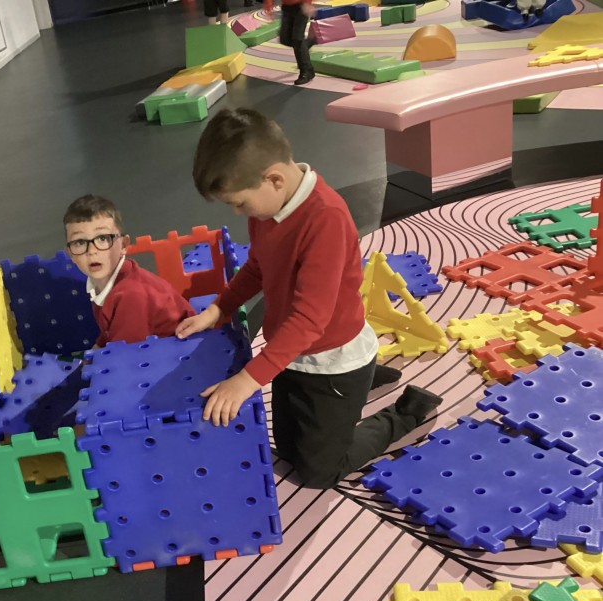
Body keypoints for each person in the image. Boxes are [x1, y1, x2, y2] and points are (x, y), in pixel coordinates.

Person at [177, 108, 443, 489]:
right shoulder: (268, 209)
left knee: (319, 472)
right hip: (292, 353)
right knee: (289, 448)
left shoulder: (325, 219)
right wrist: (221, 307)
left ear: (274, 179)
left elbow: (310, 318)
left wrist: (246, 380)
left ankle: (404, 412)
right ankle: (363, 384)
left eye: (239, 203)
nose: (238, 213)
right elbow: (258, 266)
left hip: (333, 360)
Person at [63, 194, 195, 346]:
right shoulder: (100, 284)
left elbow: (124, 352)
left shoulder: (131, 295)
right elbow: (111, 328)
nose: (92, 251)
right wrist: (97, 347)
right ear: (70, 253)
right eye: (80, 242)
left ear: (124, 245)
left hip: (181, 350)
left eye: (103, 239)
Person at [279, 0, 317, 86]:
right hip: (287, 7)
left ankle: (307, 71)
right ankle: (307, 44)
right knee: (285, 39)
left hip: (301, 6)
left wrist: (307, 3)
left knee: (297, 39)